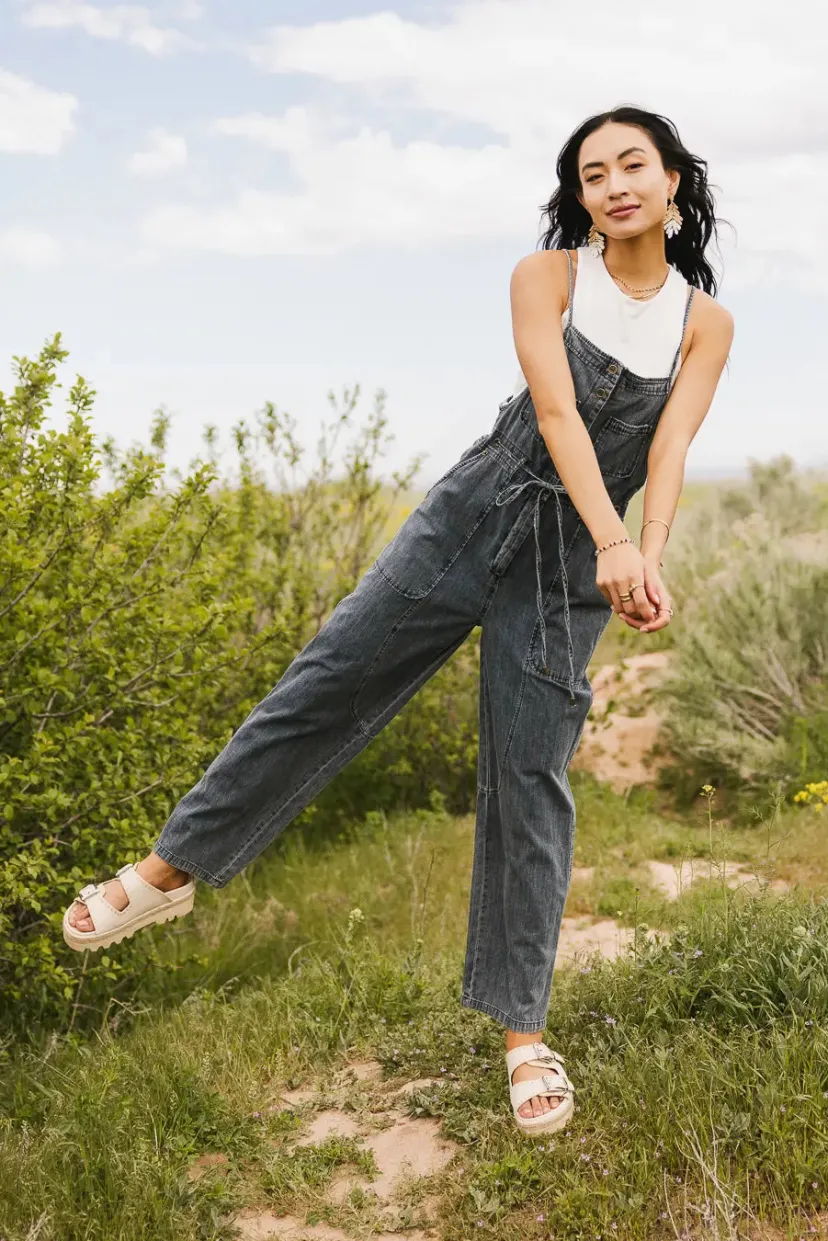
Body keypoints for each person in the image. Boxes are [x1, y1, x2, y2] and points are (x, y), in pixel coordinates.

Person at [62, 105, 733, 1136]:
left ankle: (523, 1033)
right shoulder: (546, 276)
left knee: (528, 775)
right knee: (330, 679)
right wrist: (617, 538)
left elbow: (672, 445)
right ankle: (168, 870)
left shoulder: (705, 323)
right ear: (581, 196)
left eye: (632, 164)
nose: (613, 184)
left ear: (674, 178)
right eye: (592, 172)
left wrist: (650, 552)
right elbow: (555, 417)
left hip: (568, 566)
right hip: (477, 515)